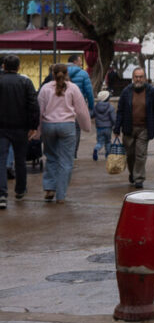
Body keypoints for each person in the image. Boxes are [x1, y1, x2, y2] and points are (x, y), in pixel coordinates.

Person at [37, 63, 91, 203]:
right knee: (66, 160)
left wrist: (37, 130)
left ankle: (49, 188)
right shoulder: (73, 88)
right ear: (66, 73)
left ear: (52, 74)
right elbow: (81, 110)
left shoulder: (45, 88)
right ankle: (61, 195)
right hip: (67, 126)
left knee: (51, 157)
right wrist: (86, 126)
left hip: (49, 126)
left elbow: (39, 110)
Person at [113, 67, 154, 189]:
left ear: (145, 78)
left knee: (140, 154)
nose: (138, 79)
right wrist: (116, 128)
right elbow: (120, 110)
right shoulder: (126, 91)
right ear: (133, 78)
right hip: (128, 128)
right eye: (136, 76)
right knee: (130, 155)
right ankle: (133, 173)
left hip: (144, 128)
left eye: (141, 76)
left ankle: (139, 178)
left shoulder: (152, 91)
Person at [0, 56, 40, 209]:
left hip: (1, 127)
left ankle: (2, 194)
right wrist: (33, 126)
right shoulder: (25, 82)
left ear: (4, 66)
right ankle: (20, 190)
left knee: (1, 160)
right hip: (21, 127)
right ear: (18, 67)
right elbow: (33, 105)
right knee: (20, 160)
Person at [91, 90, 116, 161]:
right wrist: (116, 126)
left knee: (100, 141)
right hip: (108, 128)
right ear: (108, 98)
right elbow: (113, 118)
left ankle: (96, 149)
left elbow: (92, 115)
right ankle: (107, 155)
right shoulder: (111, 107)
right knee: (108, 141)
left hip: (99, 128)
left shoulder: (96, 107)